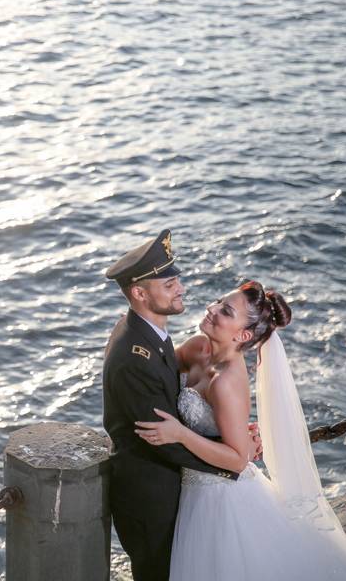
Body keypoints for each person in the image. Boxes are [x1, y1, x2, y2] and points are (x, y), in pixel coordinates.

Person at [134, 281, 346, 580]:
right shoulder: (198, 348)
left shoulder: (227, 382)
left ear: (243, 334)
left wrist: (181, 434)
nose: (211, 308)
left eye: (225, 311)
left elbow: (236, 460)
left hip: (218, 495)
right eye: (219, 301)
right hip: (192, 486)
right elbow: (159, 369)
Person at [101, 230, 255, 581]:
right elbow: (165, 440)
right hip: (149, 497)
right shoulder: (134, 355)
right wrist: (232, 458)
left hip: (170, 492)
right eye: (169, 284)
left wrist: (229, 431)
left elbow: (177, 394)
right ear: (140, 293)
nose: (181, 288)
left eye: (177, 280)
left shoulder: (148, 335)